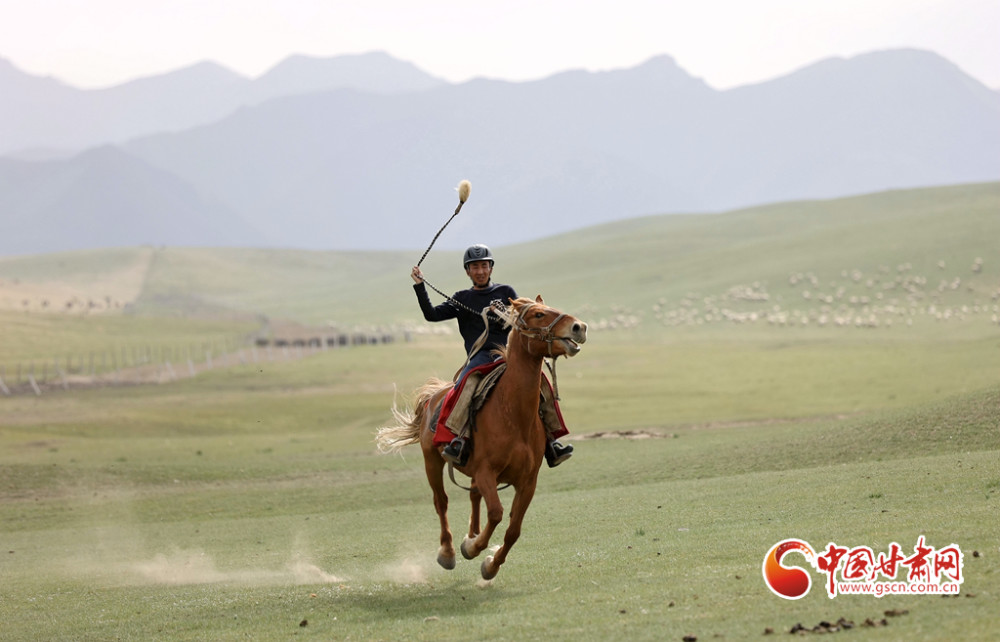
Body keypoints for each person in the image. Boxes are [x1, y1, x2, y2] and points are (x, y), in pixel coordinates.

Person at [411, 244, 573, 467]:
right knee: (465, 386)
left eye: (484, 266)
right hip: (479, 357)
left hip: (508, 355)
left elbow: (523, 317)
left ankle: (552, 442)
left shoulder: (506, 293)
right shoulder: (462, 298)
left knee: (541, 384)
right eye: (475, 267)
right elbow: (431, 315)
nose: (480, 271)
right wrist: (420, 285)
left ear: (491, 268)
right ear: (467, 271)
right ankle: (457, 440)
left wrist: (506, 313)